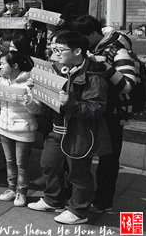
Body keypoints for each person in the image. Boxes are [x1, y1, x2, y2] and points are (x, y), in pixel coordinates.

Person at [27, 31, 111, 225]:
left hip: (80, 132)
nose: (56, 54)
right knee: (49, 164)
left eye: (60, 50)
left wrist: (70, 104)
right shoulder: (56, 69)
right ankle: (53, 199)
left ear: (77, 51)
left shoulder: (93, 75)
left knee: (78, 173)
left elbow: (96, 108)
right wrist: (36, 88)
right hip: (56, 128)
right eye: (54, 49)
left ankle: (79, 210)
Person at [72, 16, 142, 214]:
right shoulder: (94, 49)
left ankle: (104, 200)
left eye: (83, 37)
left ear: (94, 34)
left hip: (113, 113)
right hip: (97, 110)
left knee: (108, 159)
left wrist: (106, 66)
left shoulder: (117, 51)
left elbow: (128, 85)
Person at [0, 51, 44, 207]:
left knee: (21, 163)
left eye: (3, 63)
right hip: (4, 127)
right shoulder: (1, 81)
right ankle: (11, 188)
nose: (0, 66)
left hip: (24, 130)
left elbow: (37, 110)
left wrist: (27, 101)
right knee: (9, 161)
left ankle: (22, 192)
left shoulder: (29, 83)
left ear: (14, 66)